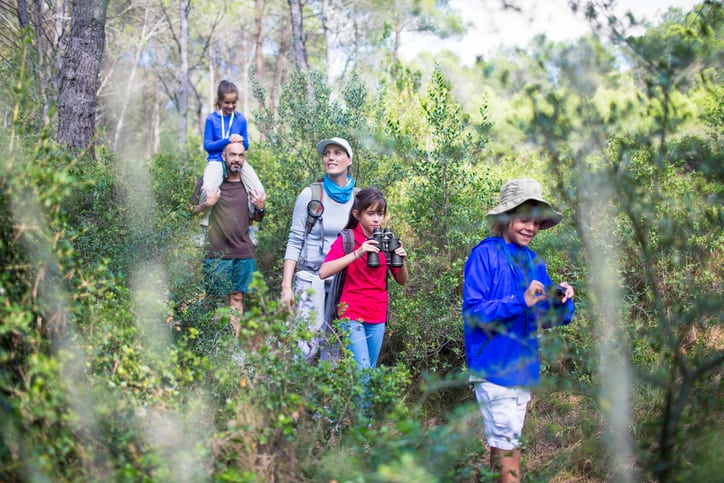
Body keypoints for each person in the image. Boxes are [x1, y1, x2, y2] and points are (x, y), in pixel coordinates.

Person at [462, 178, 575, 483]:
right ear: (506, 218)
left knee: (504, 447)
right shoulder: (484, 255)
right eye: (524, 219)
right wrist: (518, 300)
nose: (531, 228)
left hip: (522, 367)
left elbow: (543, 317)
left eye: (536, 222)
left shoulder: (534, 261)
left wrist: (563, 303)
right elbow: (474, 313)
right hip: (493, 367)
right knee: (510, 453)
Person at [280, 137, 359, 362]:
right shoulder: (310, 195)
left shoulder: (358, 199)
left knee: (333, 345)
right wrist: (286, 288)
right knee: (305, 346)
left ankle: (325, 396)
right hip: (310, 277)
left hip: (342, 282)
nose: (331, 157)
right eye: (327, 154)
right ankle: (295, 392)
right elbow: (295, 240)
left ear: (349, 160)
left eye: (337, 153)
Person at [318, 187, 408, 372]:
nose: (376, 219)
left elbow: (402, 280)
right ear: (357, 214)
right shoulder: (348, 238)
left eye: (380, 214)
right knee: (363, 371)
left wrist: (402, 259)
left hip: (377, 312)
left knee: (370, 371)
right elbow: (323, 272)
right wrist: (358, 253)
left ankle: (355, 401)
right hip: (351, 311)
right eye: (370, 213)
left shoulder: (385, 239)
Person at [190, 140, 266, 337]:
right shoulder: (211, 182)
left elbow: (257, 217)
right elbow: (191, 212)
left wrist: (260, 208)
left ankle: (232, 346)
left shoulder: (248, 184)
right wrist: (207, 204)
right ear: (224, 157)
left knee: (237, 298)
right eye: (233, 155)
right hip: (216, 251)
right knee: (214, 299)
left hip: (243, 251)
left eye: (241, 156)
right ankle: (213, 345)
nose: (237, 160)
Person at [196, 80, 265, 247]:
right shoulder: (212, 119)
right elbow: (208, 145)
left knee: (258, 190)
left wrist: (240, 140)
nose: (230, 106)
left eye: (234, 102)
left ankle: (249, 226)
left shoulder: (240, 119)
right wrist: (226, 140)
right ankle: (202, 230)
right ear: (219, 101)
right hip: (216, 160)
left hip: (236, 160)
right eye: (227, 102)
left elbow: (246, 145)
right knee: (207, 188)